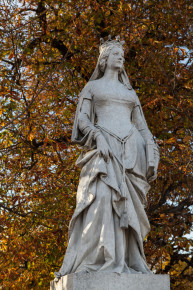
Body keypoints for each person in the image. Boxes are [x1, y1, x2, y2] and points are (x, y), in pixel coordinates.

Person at [54, 36, 159, 279]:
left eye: (121, 54)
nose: (120, 57)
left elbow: (143, 128)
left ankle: (129, 260)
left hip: (132, 151)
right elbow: (82, 119)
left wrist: (152, 152)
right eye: (115, 54)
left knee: (129, 209)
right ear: (103, 60)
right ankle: (100, 258)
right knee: (100, 199)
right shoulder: (93, 87)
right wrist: (96, 135)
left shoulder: (129, 92)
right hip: (103, 149)